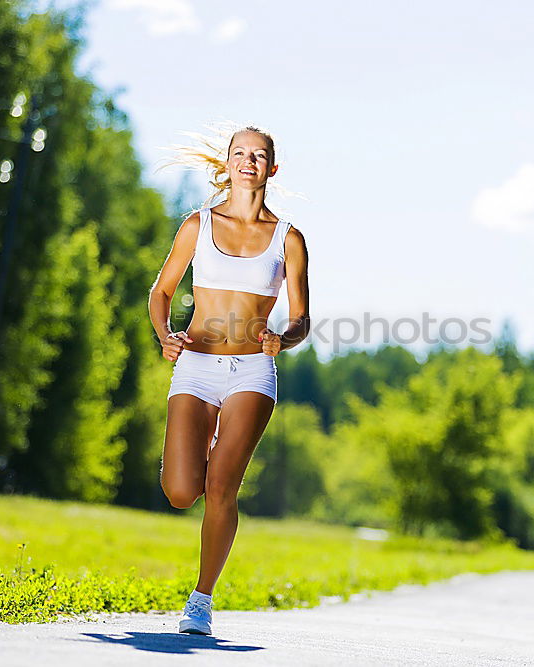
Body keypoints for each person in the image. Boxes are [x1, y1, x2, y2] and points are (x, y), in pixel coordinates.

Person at [148, 125, 310, 635]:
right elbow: (161, 292)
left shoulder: (289, 239)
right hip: (195, 365)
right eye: (240, 153)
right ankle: (206, 440)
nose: (249, 162)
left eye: (259, 156)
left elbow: (302, 318)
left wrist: (281, 339)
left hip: (252, 372)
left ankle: (201, 599)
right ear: (228, 163)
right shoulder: (198, 224)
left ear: (272, 168)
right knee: (180, 491)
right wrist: (164, 335)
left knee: (221, 487)